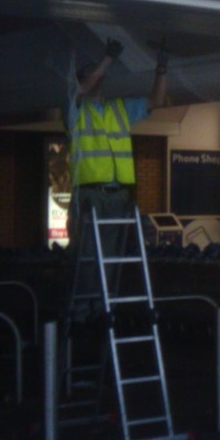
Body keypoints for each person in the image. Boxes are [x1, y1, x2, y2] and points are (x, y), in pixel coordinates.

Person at [66, 37, 167, 273]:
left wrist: (161, 69)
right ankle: (83, 308)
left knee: (110, 256)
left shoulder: (118, 108)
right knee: (87, 254)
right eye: (92, 74)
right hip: (90, 194)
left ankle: (101, 306)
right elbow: (81, 92)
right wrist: (107, 60)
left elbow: (157, 101)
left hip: (118, 195)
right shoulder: (74, 108)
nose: (98, 76)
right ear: (83, 80)